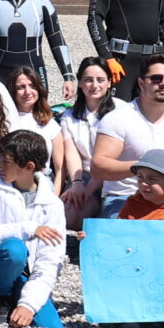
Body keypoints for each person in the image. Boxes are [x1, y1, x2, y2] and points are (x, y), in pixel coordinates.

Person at [0, 128, 69, 328]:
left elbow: (50, 260)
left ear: (29, 167)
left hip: (25, 275)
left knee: (52, 327)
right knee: (15, 249)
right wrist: (29, 229)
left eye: (6, 162)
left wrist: (28, 305)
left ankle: (17, 298)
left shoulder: (52, 204)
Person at [90, 50, 164, 216]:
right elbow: (98, 167)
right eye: (156, 79)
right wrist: (143, 167)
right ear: (141, 84)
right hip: (124, 198)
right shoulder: (118, 118)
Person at [55, 56, 117, 225]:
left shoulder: (121, 111)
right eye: (88, 80)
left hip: (114, 177)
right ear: (80, 83)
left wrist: (89, 191)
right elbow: (72, 152)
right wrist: (77, 183)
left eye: (100, 80)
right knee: (70, 214)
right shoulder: (69, 116)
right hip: (85, 175)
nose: (94, 85)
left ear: (109, 83)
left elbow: (114, 158)